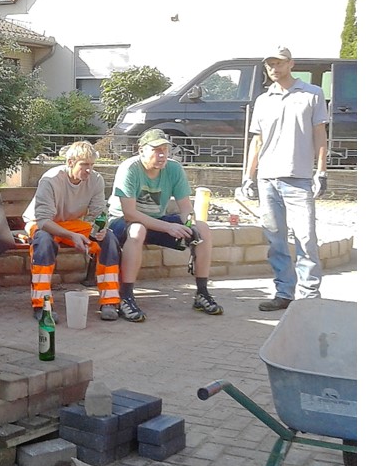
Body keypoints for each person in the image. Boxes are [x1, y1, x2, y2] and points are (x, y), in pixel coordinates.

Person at [242, 46, 328, 311]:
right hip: (267, 179)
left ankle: (309, 297)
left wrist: (321, 171)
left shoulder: (312, 94)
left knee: (306, 239)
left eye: (279, 63)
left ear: (291, 64)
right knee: (276, 241)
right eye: (270, 64)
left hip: (298, 178)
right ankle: (284, 292)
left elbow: (320, 134)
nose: (274, 68)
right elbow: (257, 140)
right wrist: (248, 176)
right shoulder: (263, 100)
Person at [107, 128, 223, 322]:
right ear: (141, 150)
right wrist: (168, 227)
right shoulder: (130, 168)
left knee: (202, 228)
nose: (162, 155)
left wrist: (190, 224)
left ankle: (202, 293)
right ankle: (125, 297)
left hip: (157, 221)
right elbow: (130, 213)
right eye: (156, 150)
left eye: (165, 150)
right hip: (122, 223)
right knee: (137, 229)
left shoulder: (174, 169)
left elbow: (186, 208)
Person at [22, 141, 121, 321]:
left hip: (72, 224)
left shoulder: (96, 180)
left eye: (92, 165)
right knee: (43, 242)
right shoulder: (50, 180)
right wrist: (70, 236)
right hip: (43, 223)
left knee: (109, 239)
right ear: (70, 163)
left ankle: (110, 301)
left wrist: (101, 229)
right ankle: (42, 305)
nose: (89, 170)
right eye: (84, 165)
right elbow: (43, 220)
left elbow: (99, 213)